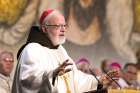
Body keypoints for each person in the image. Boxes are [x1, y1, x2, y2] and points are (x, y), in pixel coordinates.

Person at [12, 9, 119, 93]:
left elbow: (75, 78)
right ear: (44, 29)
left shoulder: (60, 50)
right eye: (58, 26)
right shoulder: (32, 49)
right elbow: (27, 80)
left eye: (64, 25)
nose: (63, 29)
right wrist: (51, 75)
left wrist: (99, 80)